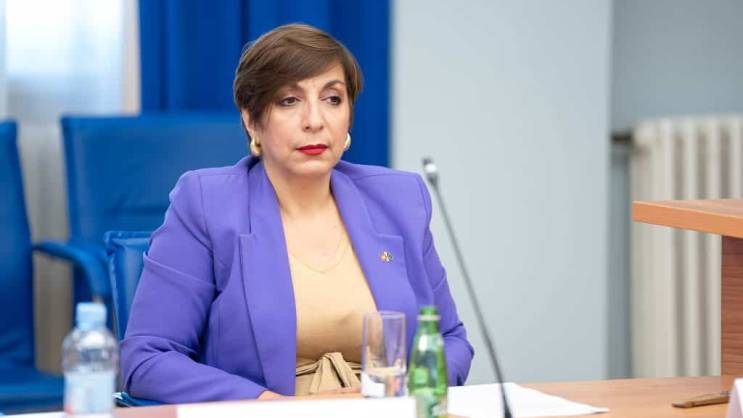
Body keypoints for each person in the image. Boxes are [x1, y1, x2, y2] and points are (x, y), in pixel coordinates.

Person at [120, 23, 473, 403]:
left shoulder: (399, 200)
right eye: (289, 101)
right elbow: (146, 359)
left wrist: (404, 393)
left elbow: (450, 340)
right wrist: (272, 407)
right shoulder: (208, 204)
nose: (315, 120)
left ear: (349, 116)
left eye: (332, 99)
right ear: (252, 120)